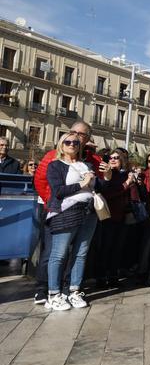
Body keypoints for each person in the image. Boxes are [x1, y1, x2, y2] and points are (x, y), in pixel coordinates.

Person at [32, 120, 99, 304]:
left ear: (86, 139)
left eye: (80, 136)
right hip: (57, 209)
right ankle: (43, 289)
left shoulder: (89, 161)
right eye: (72, 134)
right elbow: (40, 181)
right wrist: (54, 203)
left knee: (77, 252)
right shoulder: (52, 157)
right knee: (53, 252)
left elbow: (97, 185)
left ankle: (69, 288)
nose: (75, 138)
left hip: (85, 212)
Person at [44, 132, 112, 310]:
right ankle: (53, 293)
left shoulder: (86, 165)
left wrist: (107, 177)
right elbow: (58, 191)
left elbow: (97, 188)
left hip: (89, 212)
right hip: (66, 212)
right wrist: (82, 184)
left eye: (75, 142)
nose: (72, 144)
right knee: (59, 254)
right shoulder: (55, 166)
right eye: (68, 142)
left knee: (81, 253)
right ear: (61, 145)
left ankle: (73, 291)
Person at [96, 149, 134, 287]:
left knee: (117, 248)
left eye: (116, 158)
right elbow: (109, 193)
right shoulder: (107, 175)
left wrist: (133, 182)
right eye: (110, 158)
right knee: (105, 247)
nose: (113, 159)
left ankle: (113, 275)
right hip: (107, 215)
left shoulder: (125, 175)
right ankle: (101, 276)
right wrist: (126, 184)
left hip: (122, 215)